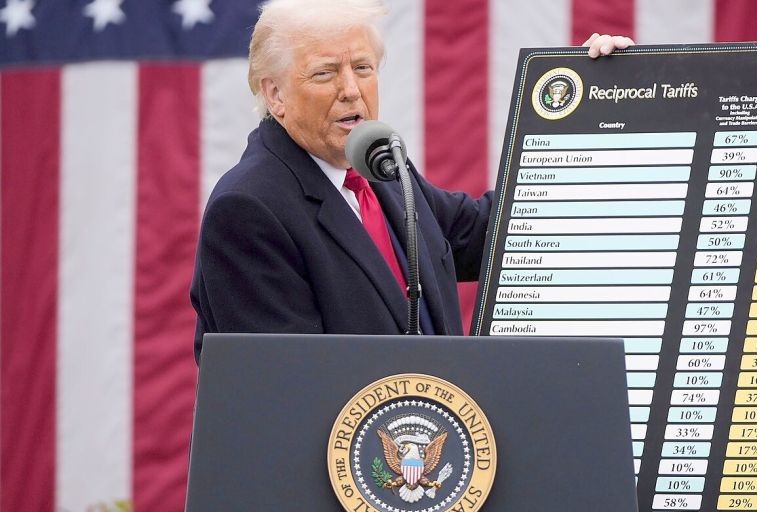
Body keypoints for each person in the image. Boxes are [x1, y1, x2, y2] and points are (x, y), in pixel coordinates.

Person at [190, 0, 633, 363]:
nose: (351, 89)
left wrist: (594, 106)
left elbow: (489, 235)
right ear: (275, 94)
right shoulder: (248, 209)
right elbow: (287, 388)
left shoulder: (379, 169)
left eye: (363, 67)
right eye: (325, 72)